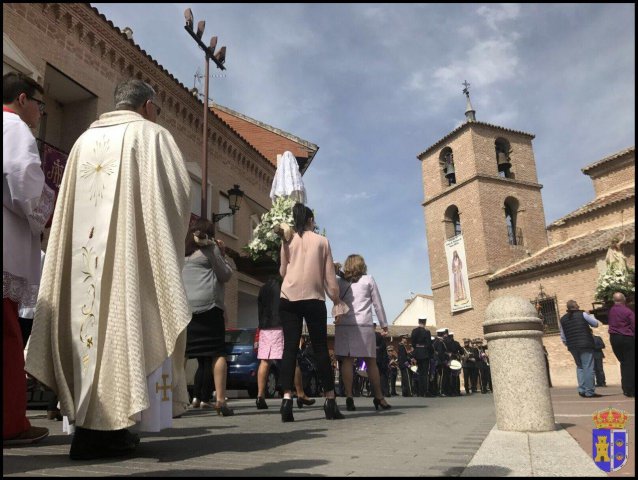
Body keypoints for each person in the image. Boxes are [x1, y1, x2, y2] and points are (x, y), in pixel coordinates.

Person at [25, 79, 192, 459]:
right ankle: (113, 430)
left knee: (87, 331)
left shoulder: (83, 141)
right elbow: (177, 198)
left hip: (84, 262)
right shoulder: (152, 136)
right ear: (148, 106)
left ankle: (88, 429)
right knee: (124, 328)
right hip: (129, 264)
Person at [3, 72, 53, 446]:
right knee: (6, 336)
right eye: (39, 103)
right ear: (22, 100)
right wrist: (50, 209)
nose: (40, 111)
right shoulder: (15, 129)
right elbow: (23, 180)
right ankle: (11, 424)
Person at [278, 203, 348, 422]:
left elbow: (282, 271)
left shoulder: (287, 240)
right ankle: (329, 401)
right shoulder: (322, 241)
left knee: (289, 349)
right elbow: (329, 277)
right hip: (314, 298)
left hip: (288, 297)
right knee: (320, 349)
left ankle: (287, 400)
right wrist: (337, 301)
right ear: (310, 220)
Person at [182, 219, 234, 416]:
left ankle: (173, 400)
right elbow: (225, 274)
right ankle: (220, 401)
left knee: (183, 354)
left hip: (186, 309)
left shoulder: (183, 253)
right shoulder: (210, 250)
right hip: (209, 308)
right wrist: (223, 254)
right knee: (217, 353)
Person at [334, 255, 391, 412]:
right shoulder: (368, 280)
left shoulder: (339, 282)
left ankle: (349, 396)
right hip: (364, 324)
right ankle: (379, 397)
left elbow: (333, 298)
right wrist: (384, 324)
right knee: (371, 362)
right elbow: (377, 304)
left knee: (347, 361)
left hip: (344, 324)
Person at [255, 276, 315, 409]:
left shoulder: (264, 287)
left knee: (265, 361)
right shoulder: (286, 285)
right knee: (292, 359)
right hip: (282, 324)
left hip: (265, 327)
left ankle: (260, 396)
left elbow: (260, 306)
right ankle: (300, 393)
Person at [559, 300, 602, 398]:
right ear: (576, 306)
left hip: (572, 346)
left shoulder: (562, 319)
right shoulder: (582, 314)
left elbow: (563, 335)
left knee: (580, 367)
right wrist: (589, 315)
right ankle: (590, 391)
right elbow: (595, 324)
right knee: (588, 367)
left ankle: (582, 390)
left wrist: (567, 343)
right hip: (585, 344)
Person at [607, 292, 634, 397]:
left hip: (614, 338)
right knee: (630, 363)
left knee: (623, 363)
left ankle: (626, 388)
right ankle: (630, 389)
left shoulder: (611, 311)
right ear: (624, 299)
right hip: (626, 338)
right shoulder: (628, 311)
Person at [410, 318, 433, 397]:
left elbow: (412, 343)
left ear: (418, 322)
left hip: (417, 353)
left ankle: (420, 392)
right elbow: (429, 344)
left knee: (419, 373)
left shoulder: (414, 331)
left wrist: (416, 350)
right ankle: (425, 391)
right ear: (425, 322)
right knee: (425, 373)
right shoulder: (427, 332)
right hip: (425, 353)